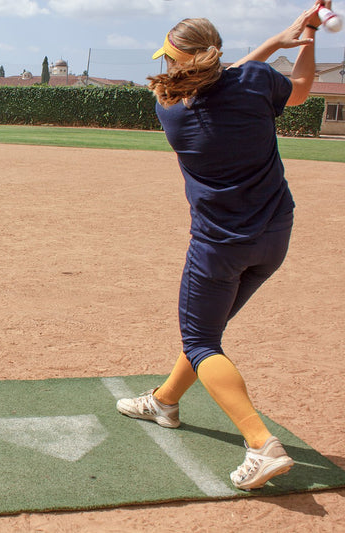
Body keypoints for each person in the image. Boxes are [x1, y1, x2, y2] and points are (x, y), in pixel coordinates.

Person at [115, 1, 330, 490]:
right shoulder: (255, 82)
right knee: (208, 332)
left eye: (169, 57)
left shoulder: (168, 107)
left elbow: (215, 81)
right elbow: (296, 91)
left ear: (183, 61)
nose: (165, 65)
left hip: (219, 248)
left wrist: (276, 41)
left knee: (202, 340)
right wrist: (303, 37)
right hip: (274, 238)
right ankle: (165, 402)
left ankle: (261, 444)